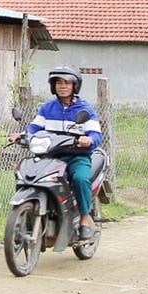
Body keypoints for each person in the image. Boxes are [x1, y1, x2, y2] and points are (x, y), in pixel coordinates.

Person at [16, 66, 103, 242]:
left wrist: (89, 140)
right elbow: (34, 128)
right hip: (51, 156)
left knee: (80, 179)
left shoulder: (84, 109)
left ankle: (85, 219)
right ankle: (28, 213)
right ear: (53, 86)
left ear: (75, 86)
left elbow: (96, 134)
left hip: (76, 156)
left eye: (67, 83)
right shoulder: (47, 108)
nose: (62, 86)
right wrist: (22, 135)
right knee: (26, 173)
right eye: (58, 83)